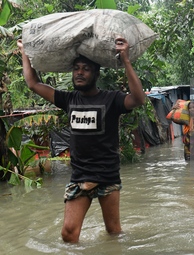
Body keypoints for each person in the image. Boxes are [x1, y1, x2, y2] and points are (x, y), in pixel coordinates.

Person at [17, 37, 145, 243]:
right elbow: (33, 83)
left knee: (114, 233)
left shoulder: (112, 99)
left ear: (96, 73)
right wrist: (25, 52)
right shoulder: (69, 100)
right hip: (79, 176)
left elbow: (138, 99)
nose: (79, 72)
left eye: (86, 68)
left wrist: (126, 61)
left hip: (107, 175)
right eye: (76, 68)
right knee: (68, 233)